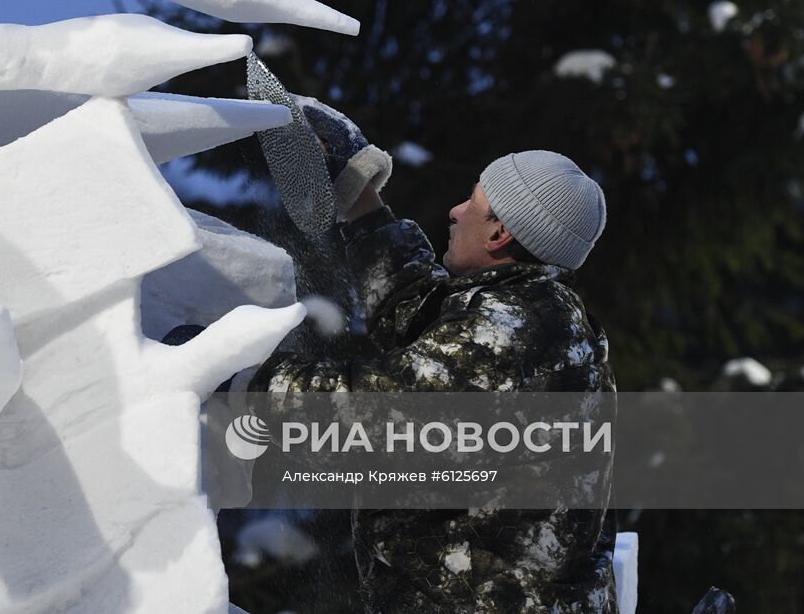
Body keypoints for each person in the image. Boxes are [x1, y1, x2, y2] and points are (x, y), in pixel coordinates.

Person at [249, 102, 617, 612]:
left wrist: (240, 377)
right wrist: (360, 199)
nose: (455, 211)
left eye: (472, 201)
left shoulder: (516, 334)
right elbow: (417, 310)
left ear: (498, 234)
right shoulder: (533, 314)